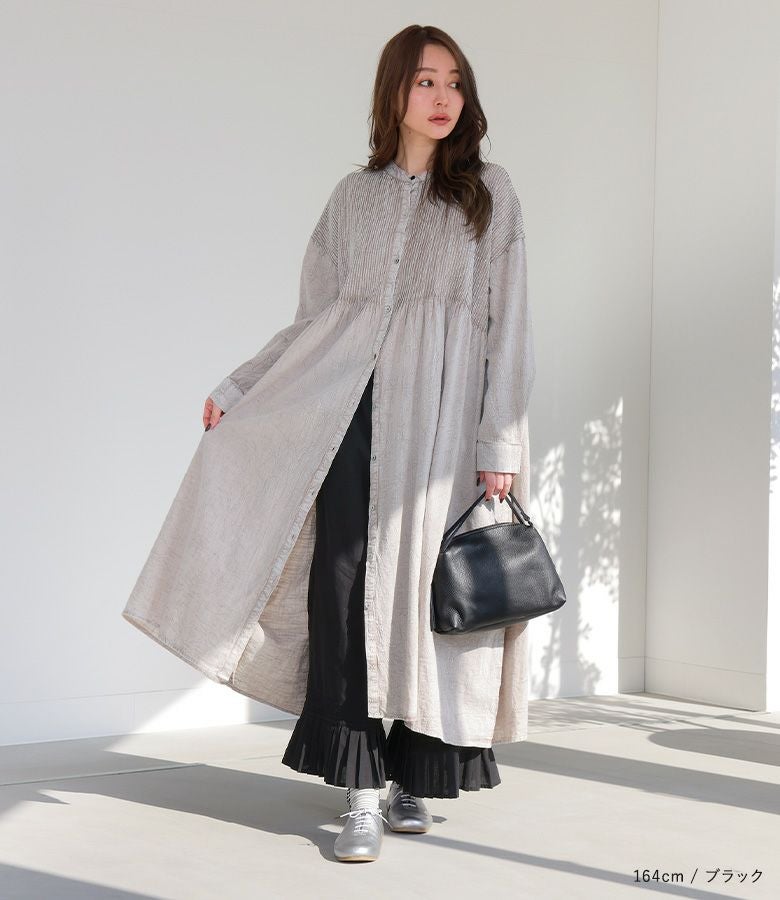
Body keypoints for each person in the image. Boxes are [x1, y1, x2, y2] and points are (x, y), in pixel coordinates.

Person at [125, 23, 534, 866]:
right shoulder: (353, 199)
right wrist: (243, 386)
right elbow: (315, 321)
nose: (444, 97)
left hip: (444, 428)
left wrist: (501, 439)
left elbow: (512, 327)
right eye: (425, 81)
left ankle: (416, 772)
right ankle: (362, 790)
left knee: (425, 589)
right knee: (344, 585)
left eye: (455, 82)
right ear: (394, 93)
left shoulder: (490, 196)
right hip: (347, 412)